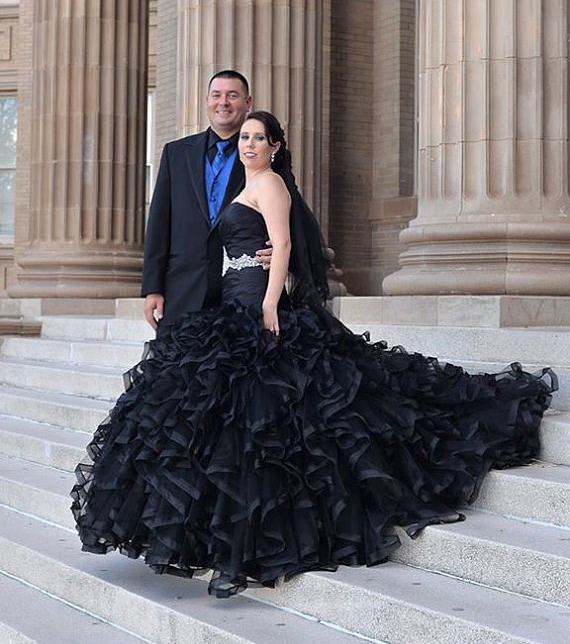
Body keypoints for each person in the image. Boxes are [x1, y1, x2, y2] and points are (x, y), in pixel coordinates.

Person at [71, 111, 557, 598]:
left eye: (260, 138)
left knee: (270, 422)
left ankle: (255, 536)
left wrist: (268, 302)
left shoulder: (272, 187)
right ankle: (210, 536)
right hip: (230, 307)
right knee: (217, 421)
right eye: (245, 137)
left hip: (258, 309)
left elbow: (281, 244)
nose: (249, 144)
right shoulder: (250, 183)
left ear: (276, 146)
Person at [141, 70, 272, 335]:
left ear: (248, 103)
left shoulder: (264, 156)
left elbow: (291, 217)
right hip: (182, 289)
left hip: (240, 292)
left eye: (232, 96)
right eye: (217, 95)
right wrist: (152, 287)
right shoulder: (175, 153)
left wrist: (281, 252)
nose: (223, 102)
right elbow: (158, 223)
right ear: (207, 101)